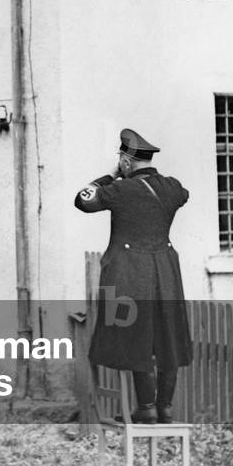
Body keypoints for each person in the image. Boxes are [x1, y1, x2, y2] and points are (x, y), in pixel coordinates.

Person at [74, 128, 192, 424]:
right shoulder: (172, 187)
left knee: (138, 334)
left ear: (126, 162)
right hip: (165, 272)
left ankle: (146, 407)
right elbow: (183, 195)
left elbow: (82, 199)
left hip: (129, 273)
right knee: (166, 335)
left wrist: (110, 176)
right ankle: (164, 407)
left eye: (122, 162)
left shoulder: (120, 189)